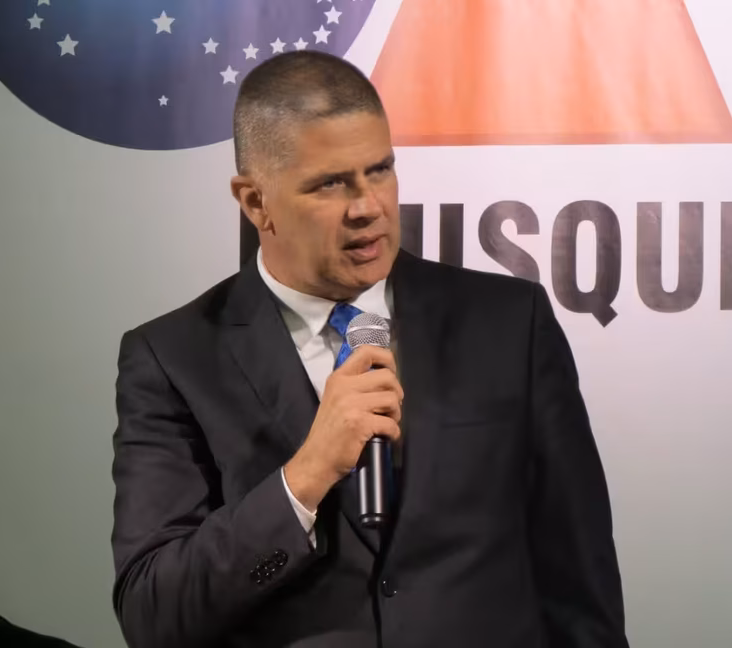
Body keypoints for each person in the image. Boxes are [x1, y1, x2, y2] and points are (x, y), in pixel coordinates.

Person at [110, 50, 629, 648]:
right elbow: (153, 615)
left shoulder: (511, 323)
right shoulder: (173, 359)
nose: (367, 208)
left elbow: (580, 583)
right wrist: (306, 475)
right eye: (330, 184)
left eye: (379, 170)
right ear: (255, 202)